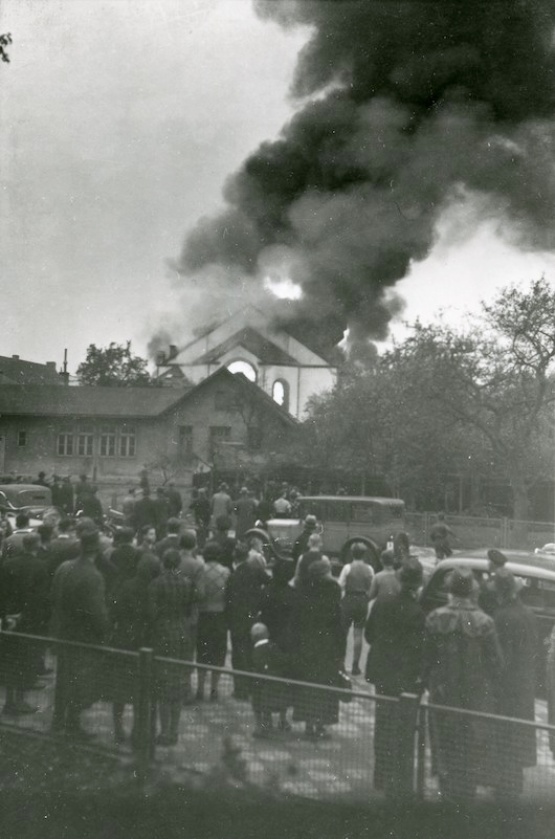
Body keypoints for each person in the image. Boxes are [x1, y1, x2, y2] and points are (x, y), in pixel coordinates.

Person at [422, 566, 503, 802]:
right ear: (472, 591)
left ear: (450, 590)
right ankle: (466, 795)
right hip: (476, 698)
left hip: (443, 695)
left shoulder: (435, 618)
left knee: (445, 743)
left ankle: (447, 791)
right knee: (473, 744)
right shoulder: (485, 622)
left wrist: (431, 683)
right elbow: (497, 663)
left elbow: (426, 660)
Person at [364, 560, 425, 792]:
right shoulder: (417, 612)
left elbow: (369, 635)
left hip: (382, 674)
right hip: (404, 677)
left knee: (383, 725)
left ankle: (381, 776)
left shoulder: (382, 602)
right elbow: (418, 650)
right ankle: (400, 780)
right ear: (418, 584)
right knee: (403, 729)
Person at [50, 527, 109, 738]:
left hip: (62, 631)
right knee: (79, 680)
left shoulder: (64, 567)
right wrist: (104, 632)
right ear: (98, 550)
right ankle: (73, 723)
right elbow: (97, 612)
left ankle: (57, 721)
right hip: (82, 636)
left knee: (63, 677)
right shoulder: (94, 576)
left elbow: (54, 598)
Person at [491, 569, 537, 797]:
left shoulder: (503, 616)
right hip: (524, 684)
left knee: (504, 733)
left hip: (507, 687)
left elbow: (502, 658)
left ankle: (505, 785)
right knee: (518, 733)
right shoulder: (526, 613)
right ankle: (514, 783)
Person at [290, 558, 344, 740]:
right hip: (327, 646)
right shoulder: (334, 591)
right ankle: (321, 724)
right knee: (325, 686)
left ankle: (309, 724)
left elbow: (296, 620)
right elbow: (338, 623)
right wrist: (340, 651)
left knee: (308, 685)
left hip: (306, 645)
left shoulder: (302, 590)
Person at [109, 554, 160, 744]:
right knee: (142, 690)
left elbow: (113, 611)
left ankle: (118, 727)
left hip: (123, 640)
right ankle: (138, 729)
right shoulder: (151, 590)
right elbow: (153, 615)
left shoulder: (126, 585)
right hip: (143, 642)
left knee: (119, 688)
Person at [148, 548, 196, 746]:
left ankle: (164, 731)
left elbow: (151, 613)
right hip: (183, 634)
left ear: (163, 562)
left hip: (162, 635)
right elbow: (192, 611)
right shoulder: (187, 583)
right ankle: (175, 731)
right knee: (178, 684)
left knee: (163, 687)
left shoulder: (156, 584)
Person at [0, 532, 50, 715]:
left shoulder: (8, 564)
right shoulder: (40, 566)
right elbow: (39, 598)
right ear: (37, 546)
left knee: (9, 660)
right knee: (25, 662)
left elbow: (2, 593)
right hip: (28, 622)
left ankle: (9, 702)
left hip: (9, 620)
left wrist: (5, 616)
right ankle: (20, 701)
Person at [225, 541, 270, 699]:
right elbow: (268, 584)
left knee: (238, 655)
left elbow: (228, 601)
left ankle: (240, 690)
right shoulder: (255, 571)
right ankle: (253, 687)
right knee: (252, 653)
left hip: (237, 620)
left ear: (235, 558)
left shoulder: (233, 577)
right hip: (253, 618)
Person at [195, 540, 230, 702]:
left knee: (202, 652)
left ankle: (200, 689)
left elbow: (199, 593)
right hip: (220, 615)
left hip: (204, 615)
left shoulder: (201, 571)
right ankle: (214, 690)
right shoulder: (226, 572)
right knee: (218, 653)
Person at [338, 543, 374, 676]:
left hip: (348, 600)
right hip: (362, 601)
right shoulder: (369, 569)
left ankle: (341, 663)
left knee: (344, 632)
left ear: (352, 553)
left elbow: (340, 585)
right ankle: (355, 665)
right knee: (358, 634)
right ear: (364, 554)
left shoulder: (347, 568)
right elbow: (371, 588)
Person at [250, 623, 291, 738]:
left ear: (252, 638)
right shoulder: (274, 646)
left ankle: (263, 726)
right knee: (280, 702)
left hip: (262, 684)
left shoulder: (255, 651)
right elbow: (283, 660)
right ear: (267, 634)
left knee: (260, 703)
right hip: (278, 681)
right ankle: (282, 721)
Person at [479, 549, 509, 615]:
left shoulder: (489, 583)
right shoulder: (509, 580)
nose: (488, 563)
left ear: (492, 563)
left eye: (488, 561)